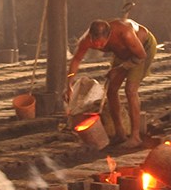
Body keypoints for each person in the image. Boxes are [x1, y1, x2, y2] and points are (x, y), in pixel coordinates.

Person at [67, 18, 157, 148]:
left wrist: (120, 68)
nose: (98, 46)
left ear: (109, 36)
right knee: (111, 90)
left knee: (130, 90)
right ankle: (119, 133)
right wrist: (69, 83)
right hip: (121, 52)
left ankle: (135, 136)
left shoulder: (125, 33)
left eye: (101, 43)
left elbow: (141, 56)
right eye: (95, 43)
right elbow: (76, 60)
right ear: (90, 37)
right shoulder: (86, 40)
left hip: (142, 50)